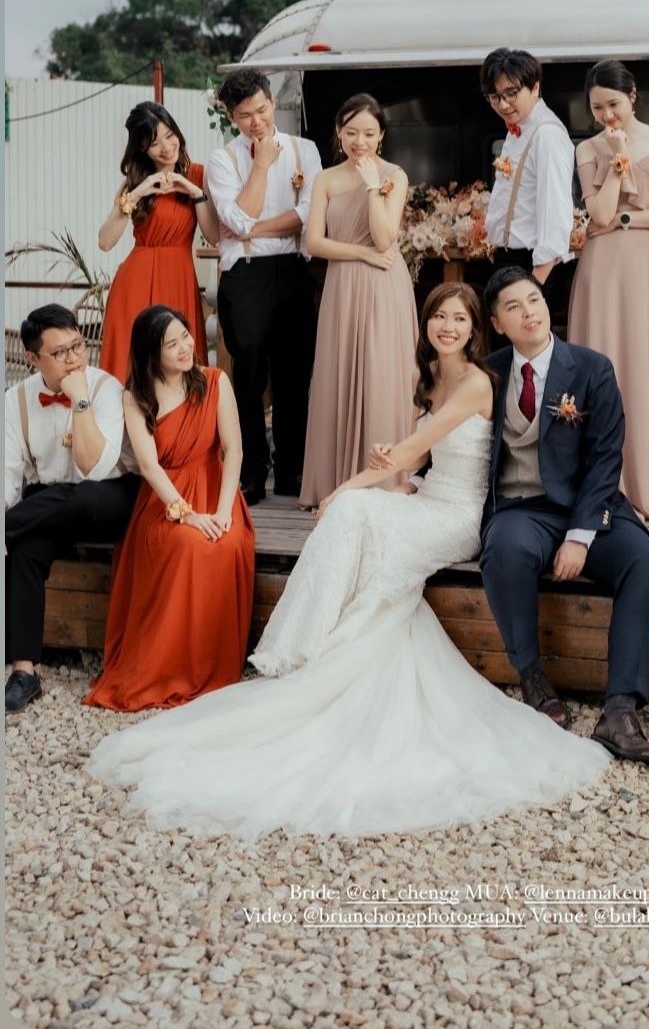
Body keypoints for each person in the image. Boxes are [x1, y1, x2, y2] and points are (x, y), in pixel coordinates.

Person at [86, 283, 610, 836]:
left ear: (475, 328)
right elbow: (419, 460)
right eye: (439, 317)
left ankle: (315, 650)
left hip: (458, 517)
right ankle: (305, 649)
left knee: (351, 508)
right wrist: (395, 477)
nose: (448, 327)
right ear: (427, 324)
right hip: (428, 496)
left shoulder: (478, 382)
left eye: (459, 319)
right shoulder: (431, 375)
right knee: (354, 515)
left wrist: (347, 485)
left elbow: (413, 449)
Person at [480, 266, 649, 763]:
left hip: (591, 505)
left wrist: (581, 535)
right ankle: (533, 680)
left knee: (646, 565)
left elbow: (607, 457)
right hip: (522, 508)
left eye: (534, 300)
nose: (529, 313)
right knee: (504, 549)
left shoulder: (591, 368)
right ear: (497, 323)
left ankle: (620, 711)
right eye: (513, 307)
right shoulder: (488, 374)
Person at [83, 308, 254, 711]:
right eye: (171, 344)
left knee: (227, 544)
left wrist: (224, 512)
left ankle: (212, 666)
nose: (185, 348)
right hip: (166, 497)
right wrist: (186, 514)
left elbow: (234, 450)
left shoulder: (215, 381)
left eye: (186, 337)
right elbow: (149, 466)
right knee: (186, 544)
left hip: (216, 488)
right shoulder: (135, 396)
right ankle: (171, 666)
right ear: (151, 352)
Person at [567, 59, 649, 518]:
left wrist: (626, 219)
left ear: (632, 96)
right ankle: (607, 489)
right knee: (606, 363)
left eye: (613, 104)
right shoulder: (587, 149)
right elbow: (597, 213)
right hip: (603, 268)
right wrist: (617, 162)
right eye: (597, 108)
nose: (607, 115)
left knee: (645, 364)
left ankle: (648, 487)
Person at [5, 306, 140, 714]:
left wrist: (80, 398)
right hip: (47, 504)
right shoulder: (15, 400)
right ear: (33, 358)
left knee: (82, 497)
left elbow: (95, 467)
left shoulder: (106, 389)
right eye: (60, 352)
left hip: (105, 498)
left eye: (78, 345)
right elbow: (7, 476)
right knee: (25, 547)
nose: (74, 358)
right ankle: (25, 670)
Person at [206, 69, 322, 504]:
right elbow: (234, 220)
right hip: (246, 271)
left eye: (261, 110)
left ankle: (291, 470)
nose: (256, 121)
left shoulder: (305, 150)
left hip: (293, 268)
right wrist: (260, 165)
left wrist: (252, 226)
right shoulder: (223, 160)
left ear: (272, 102)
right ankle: (251, 470)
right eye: (245, 115)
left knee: (295, 372)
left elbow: (309, 214)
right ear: (231, 116)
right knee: (249, 374)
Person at [298, 94, 418, 509]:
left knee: (382, 373)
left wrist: (371, 186)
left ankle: (384, 478)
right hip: (344, 283)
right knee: (338, 371)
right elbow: (314, 243)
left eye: (368, 133)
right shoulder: (326, 179)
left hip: (385, 286)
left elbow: (385, 238)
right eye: (351, 133)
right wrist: (361, 254)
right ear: (338, 133)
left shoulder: (394, 175)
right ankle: (333, 482)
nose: (359, 141)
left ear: (381, 135)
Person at [98, 102, 218, 384]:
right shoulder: (134, 183)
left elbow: (214, 236)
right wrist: (137, 192)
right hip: (135, 285)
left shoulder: (198, 175)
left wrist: (195, 193)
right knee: (131, 369)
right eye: (154, 143)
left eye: (169, 135)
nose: (166, 147)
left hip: (178, 279)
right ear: (141, 149)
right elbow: (105, 241)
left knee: (181, 370)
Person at [481, 48, 575, 294]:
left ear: (535, 87)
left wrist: (535, 284)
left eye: (511, 94)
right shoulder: (519, 127)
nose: (503, 104)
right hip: (509, 260)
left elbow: (555, 213)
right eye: (495, 96)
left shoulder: (547, 134)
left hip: (534, 265)